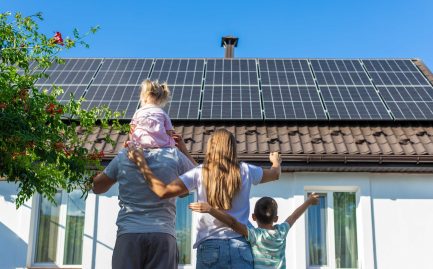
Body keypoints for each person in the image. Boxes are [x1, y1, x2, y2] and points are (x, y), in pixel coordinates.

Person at [127, 129, 282, 269]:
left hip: (210, 248)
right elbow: (275, 174)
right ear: (233, 148)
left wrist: (141, 162)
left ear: (211, 147)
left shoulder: (200, 173)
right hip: (241, 248)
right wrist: (276, 162)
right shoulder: (247, 170)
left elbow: (162, 191)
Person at [92, 132, 197, 269]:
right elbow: (199, 179)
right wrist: (183, 151)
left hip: (129, 234)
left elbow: (97, 188)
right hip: (162, 235)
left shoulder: (123, 156)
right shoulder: (174, 156)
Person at [189, 193, 320, 269]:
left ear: (253, 217)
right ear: (276, 218)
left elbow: (233, 223)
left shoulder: (254, 234)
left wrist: (211, 209)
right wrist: (308, 201)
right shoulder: (281, 232)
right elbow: (294, 216)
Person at [127, 79, 175, 149]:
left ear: (143, 96)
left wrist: (132, 145)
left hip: (140, 146)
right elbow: (169, 132)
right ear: (162, 98)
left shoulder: (138, 112)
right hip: (161, 146)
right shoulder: (162, 113)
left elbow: (132, 131)